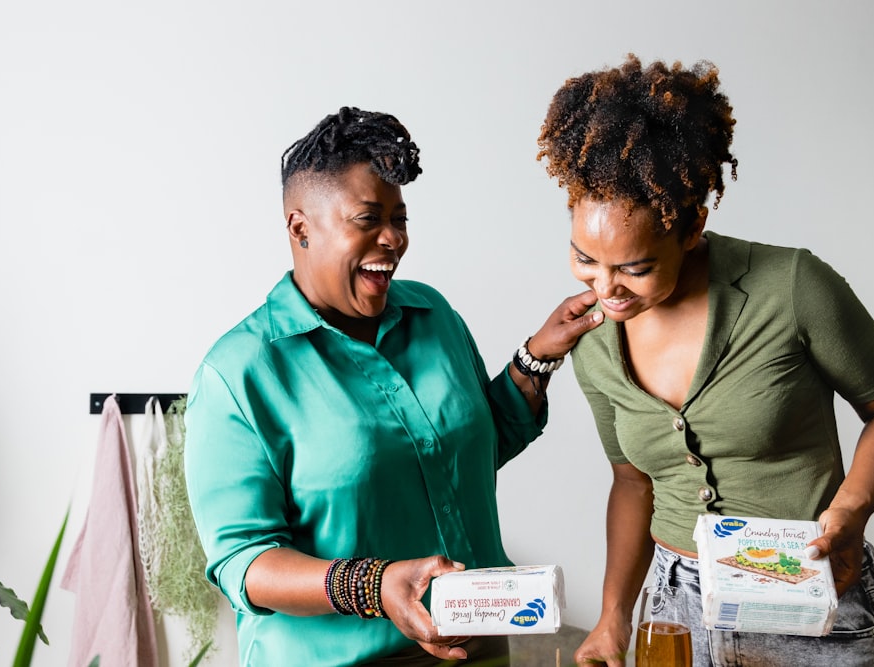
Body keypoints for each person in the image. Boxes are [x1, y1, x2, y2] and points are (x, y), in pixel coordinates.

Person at [183, 106, 604, 666]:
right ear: (300, 227)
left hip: (477, 648)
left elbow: (467, 453)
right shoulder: (237, 375)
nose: (393, 239)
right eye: (368, 219)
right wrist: (375, 586)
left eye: (400, 218)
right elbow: (243, 561)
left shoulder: (434, 315)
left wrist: (536, 358)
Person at [534, 55, 874, 666]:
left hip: (812, 588)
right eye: (585, 260)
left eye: (635, 268)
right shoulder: (595, 339)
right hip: (676, 614)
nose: (606, 289)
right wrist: (612, 617)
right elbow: (632, 480)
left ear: (691, 226)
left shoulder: (792, 285)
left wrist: (852, 509)